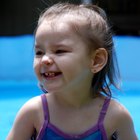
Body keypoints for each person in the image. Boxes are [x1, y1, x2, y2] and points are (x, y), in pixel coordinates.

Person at [7, 3, 138, 140]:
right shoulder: (33, 112)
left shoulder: (115, 116)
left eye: (59, 51)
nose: (45, 59)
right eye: (39, 52)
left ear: (96, 60)